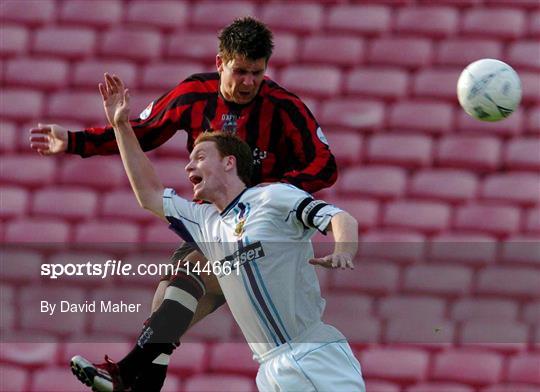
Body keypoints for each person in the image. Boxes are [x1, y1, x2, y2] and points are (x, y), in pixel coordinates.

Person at [30, 17, 337, 391]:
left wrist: (274, 195)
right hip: (221, 227)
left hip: (266, 233)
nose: (249, 83)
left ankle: (129, 374)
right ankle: (142, 379)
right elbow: (145, 134)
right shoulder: (194, 94)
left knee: (187, 274)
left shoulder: (285, 108)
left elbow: (326, 164)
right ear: (221, 61)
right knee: (171, 294)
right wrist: (76, 141)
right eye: (240, 71)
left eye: (257, 73)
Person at [71, 73, 365, 392]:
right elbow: (149, 193)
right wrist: (121, 127)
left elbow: (339, 218)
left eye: (199, 157)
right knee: (182, 280)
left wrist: (344, 250)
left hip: (312, 355)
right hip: (269, 368)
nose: (188, 167)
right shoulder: (206, 222)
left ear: (229, 163)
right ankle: (136, 377)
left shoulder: (274, 196)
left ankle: (131, 375)